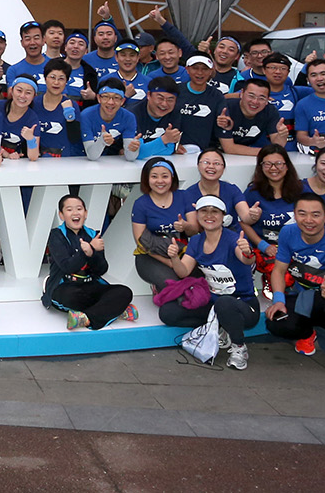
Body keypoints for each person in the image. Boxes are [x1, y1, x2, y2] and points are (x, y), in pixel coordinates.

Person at [265, 192, 325, 379]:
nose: (308, 220)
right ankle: (307, 333)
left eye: (316, 215)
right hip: (304, 296)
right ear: (295, 215)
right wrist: (278, 300)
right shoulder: (287, 233)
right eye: (302, 214)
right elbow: (279, 271)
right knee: (276, 322)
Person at [160, 195, 259, 370]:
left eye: (215, 212)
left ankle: (239, 347)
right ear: (197, 215)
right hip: (214, 304)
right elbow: (183, 271)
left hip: (243, 305)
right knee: (167, 313)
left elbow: (246, 260)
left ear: (223, 216)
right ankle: (221, 327)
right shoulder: (196, 241)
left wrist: (247, 252)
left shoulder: (233, 239)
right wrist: (174, 258)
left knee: (225, 303)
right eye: (204, 211)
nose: (209, 215)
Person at [44, 193, 137, 330]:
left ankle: (87, 318)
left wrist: (92, 253)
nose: (75, 213)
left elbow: (101, 269)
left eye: (79, 209)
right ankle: (115, 311)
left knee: (124, 292)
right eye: (69, 210)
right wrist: (86, 252)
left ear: (85, 213)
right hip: (66, 286)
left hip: (90, 284)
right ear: (61, 215)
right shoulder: (56, 235)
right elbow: (67, 266)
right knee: (72, 297)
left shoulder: (93, 235)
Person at [241, 145, 303, 300]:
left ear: (287, 166)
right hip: (264, 249)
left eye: (278, 164)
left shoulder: (301, 191)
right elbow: (242, 223)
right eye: (267, 164)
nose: (273, 168)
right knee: (283, 276)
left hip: (294, 248)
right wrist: (263, 245)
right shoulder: (252, 193)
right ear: (261, 167)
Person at [129, 157, 189, 290]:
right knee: (173, 286)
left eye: (165, 176)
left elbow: (195, 229)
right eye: (154, 176)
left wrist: (186, 226)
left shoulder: (184, 196)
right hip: (152, 256)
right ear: (147, 179)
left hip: (183, 253)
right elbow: (141, 242)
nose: (160, 181)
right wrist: (170, 262)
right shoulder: (140, 204)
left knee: (197, 283)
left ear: (172, 177)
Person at [180, 148, 251, 232]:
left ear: (223, 168)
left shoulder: (232, 190)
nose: (211, 166)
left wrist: (253, 216)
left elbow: (246, 217)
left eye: (216, 163)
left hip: (234, 236)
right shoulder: (188, 194)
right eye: (206, 162)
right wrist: (185, 226)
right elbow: (193, 230)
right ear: (198, 166)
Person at [217, 78, 291, 154]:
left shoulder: (270, 111)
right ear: (241, 94)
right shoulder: (226, 108)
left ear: (267, 100)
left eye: (261, 98)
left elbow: (277, 145)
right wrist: (267, 152)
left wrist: (282, 136)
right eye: (251, 96)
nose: (255, 102)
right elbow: (229, 148)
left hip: (245, 155)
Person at [127, 77, 188, 159]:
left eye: (170, 100)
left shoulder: (174, 112)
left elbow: (170, 149)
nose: (164, 104)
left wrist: (147, 148)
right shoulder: (132, 114)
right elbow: (135, 153)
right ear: (149, 95)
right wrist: (164, 140)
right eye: (160, 98)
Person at [31, 59, 82, 157]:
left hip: (63, 159)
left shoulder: (72, 105)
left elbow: (75, 139)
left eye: (61, 79)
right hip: (36, 158)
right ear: (45, 79)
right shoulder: (34, 103)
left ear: (66, 81)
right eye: (52, 77)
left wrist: (70, 117)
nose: (56, 82)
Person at [174, 55, 226, 150]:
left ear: (211, 71)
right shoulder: (175, 91)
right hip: (176, 150)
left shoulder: (217, 95)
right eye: (195, 68)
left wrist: (226, 122)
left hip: (205, 151)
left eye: (204, 69)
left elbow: (225, 120)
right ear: (187, 69)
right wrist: (172, 146)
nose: (200, 73)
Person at [0, 77, 41, 159]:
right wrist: (7, 154)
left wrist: (31, 139)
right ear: (11, 91)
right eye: (19, 90)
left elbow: (33, 156)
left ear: (34, 96)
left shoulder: (32, 119)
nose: (22, 96)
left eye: (28, 93)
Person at [4, 20, 49, 91]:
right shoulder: (13, 70)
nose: (32, 42)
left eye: (36, 38)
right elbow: (11, 94)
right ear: (22, 43)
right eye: (27, 39)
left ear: (43, 40)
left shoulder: (55, 67)